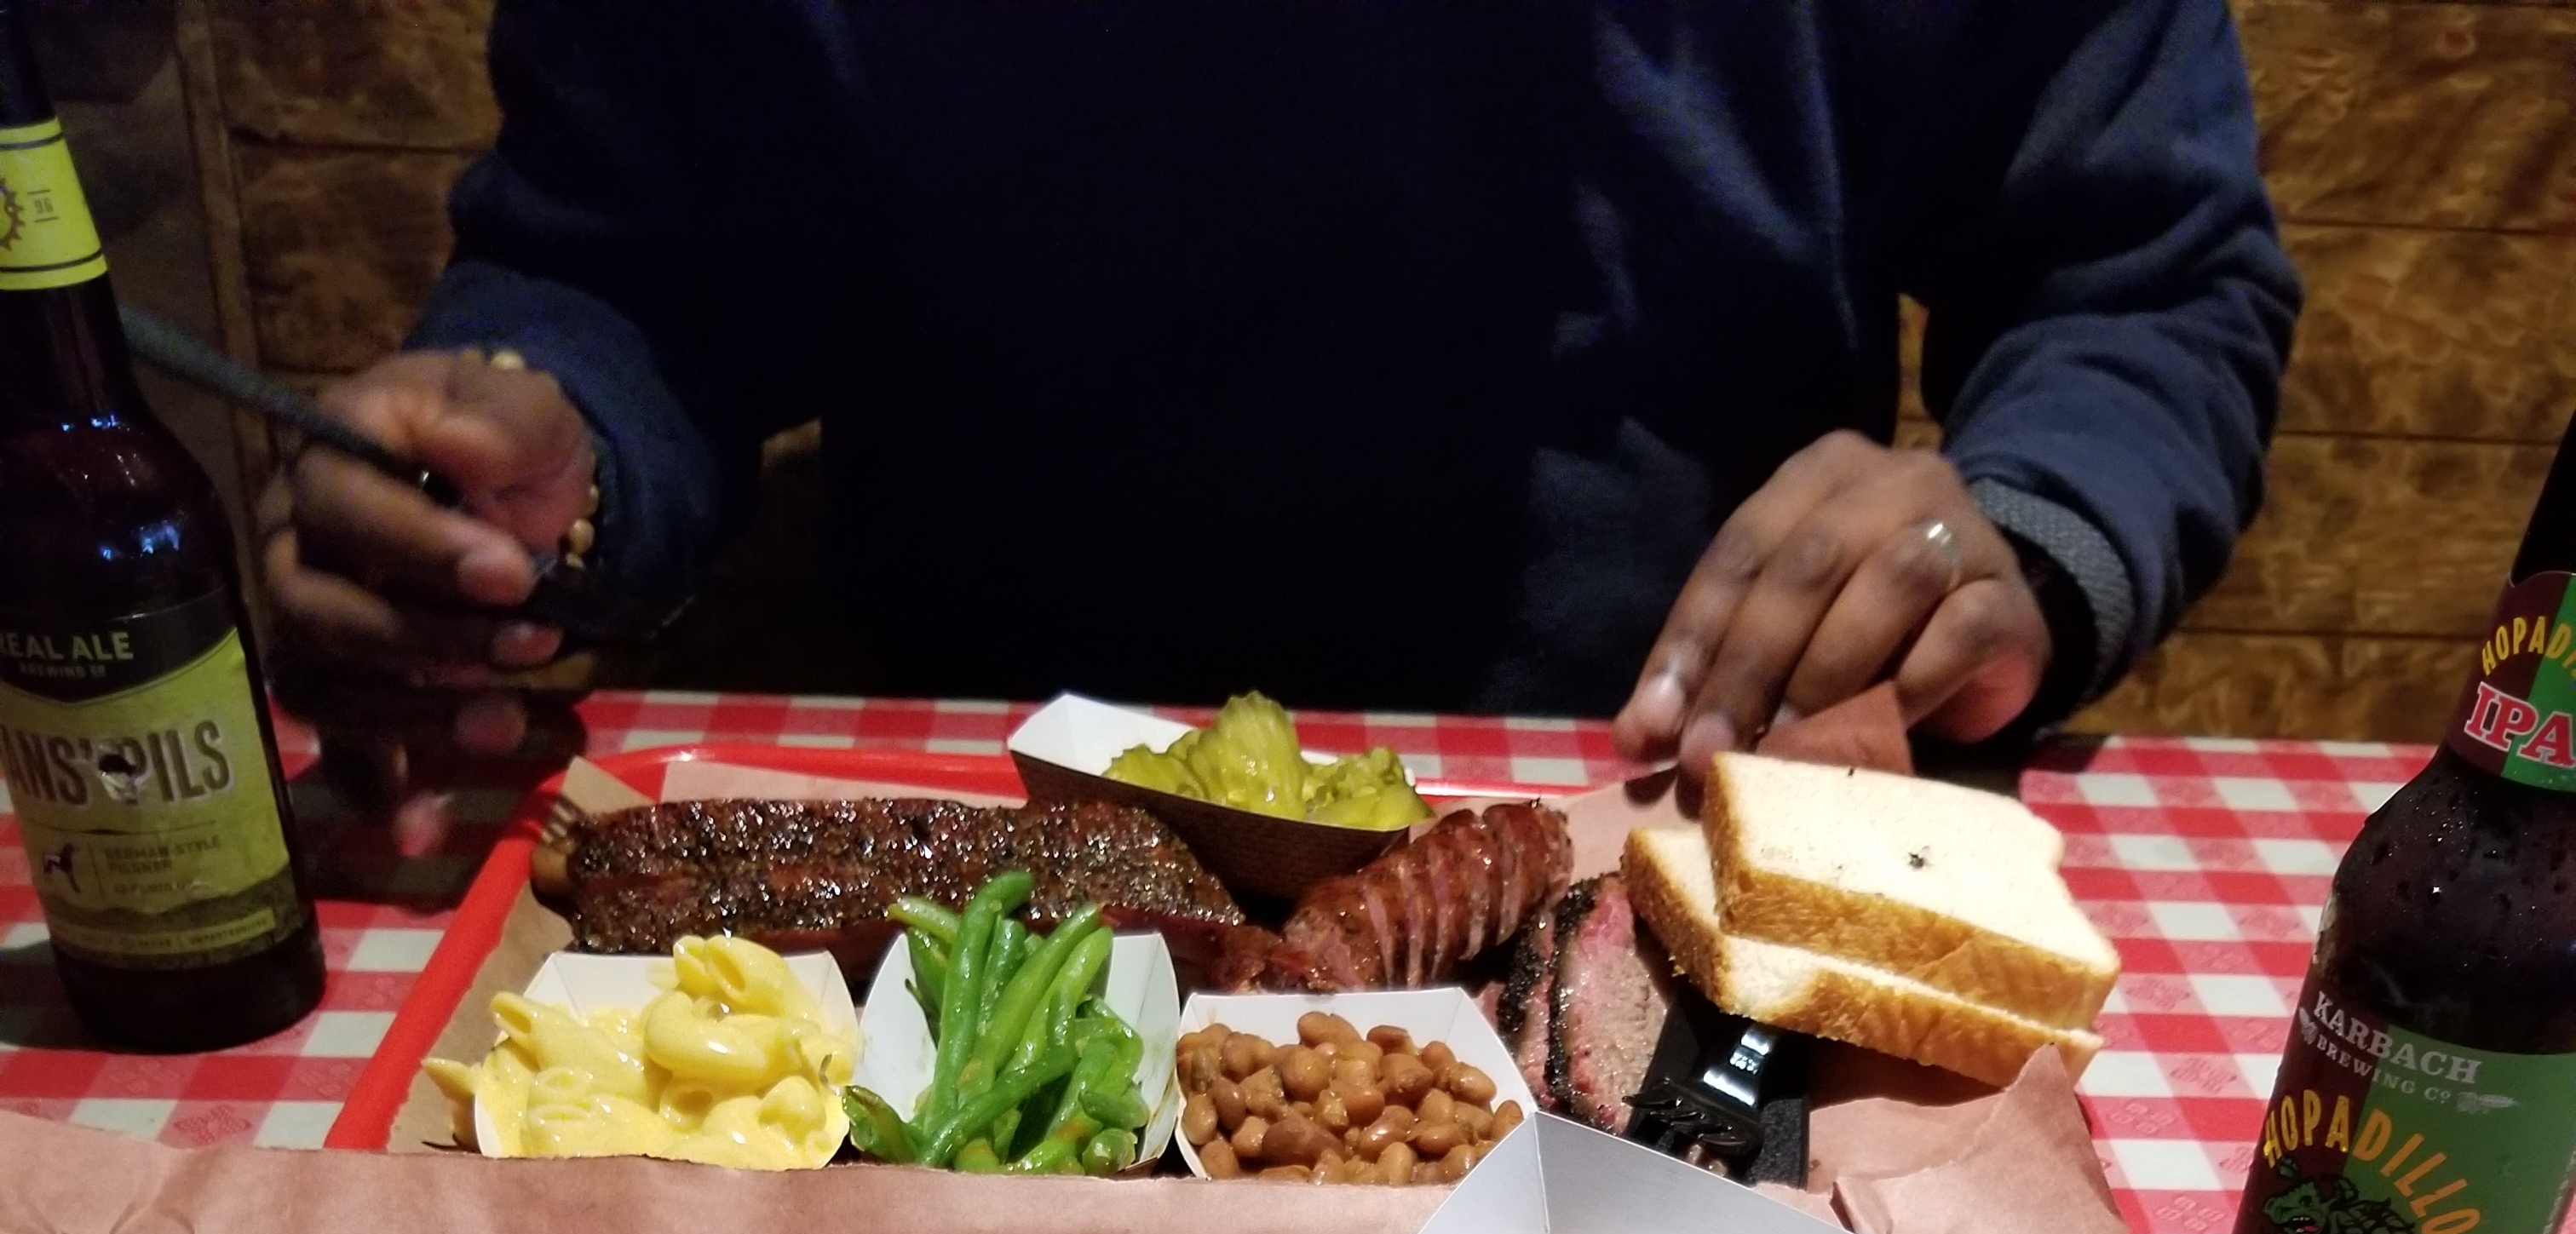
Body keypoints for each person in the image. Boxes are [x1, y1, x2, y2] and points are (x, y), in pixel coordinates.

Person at [262, 1, 2297, 829]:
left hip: (1678, 803)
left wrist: (2031, 520)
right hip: (987, 811)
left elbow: (2147, 280)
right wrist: (543, 448)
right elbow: (631, 267)